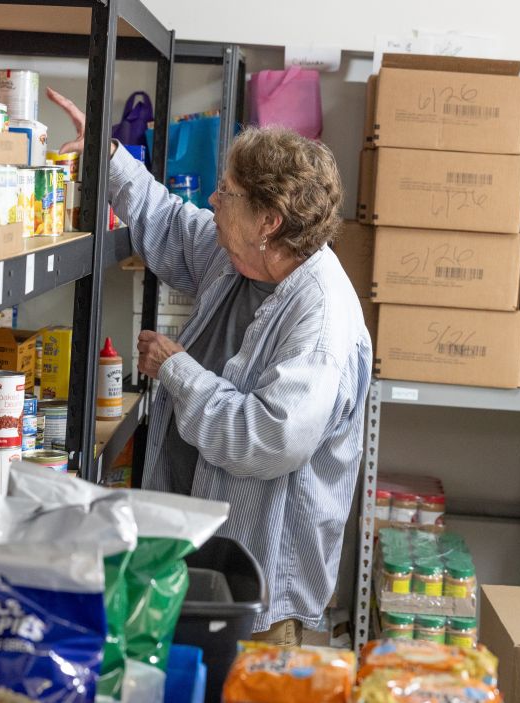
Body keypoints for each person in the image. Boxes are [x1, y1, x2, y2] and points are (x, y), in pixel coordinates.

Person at [47, 88, 372, 647]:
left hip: (256, 589)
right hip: (191, 550)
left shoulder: (320, 322)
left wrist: (177, 369)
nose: (214, 201)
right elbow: (172, 224)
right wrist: (108, 155)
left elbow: (268, 440)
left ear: (268, 219)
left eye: (227, 192)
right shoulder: (241, 257)